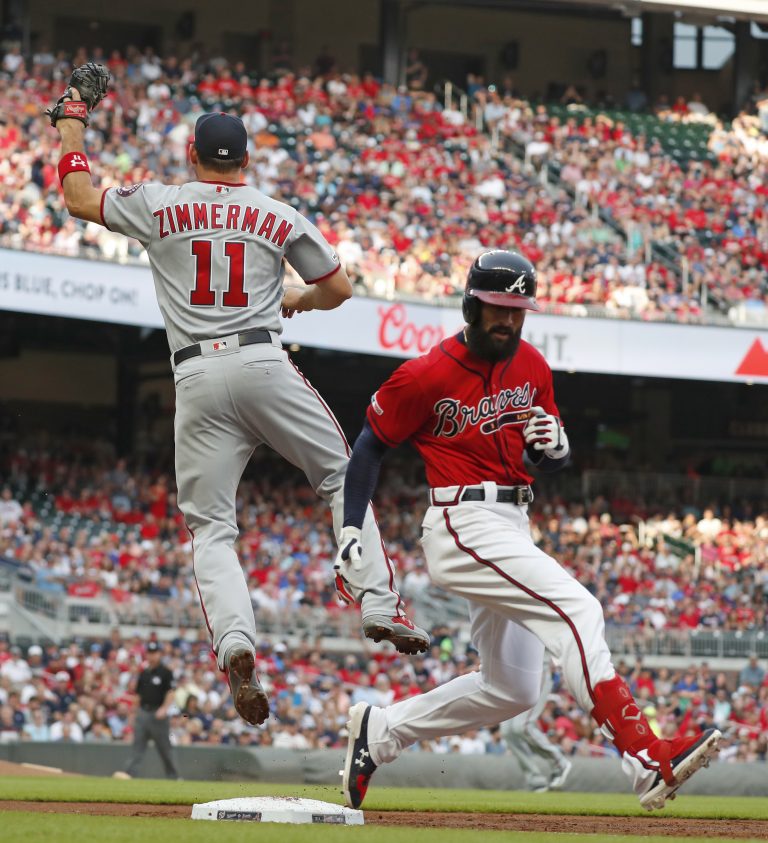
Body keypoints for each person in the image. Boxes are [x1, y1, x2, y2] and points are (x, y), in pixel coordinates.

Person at [49, 71, 428, 727]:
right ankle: (375, 598)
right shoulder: (274, 212)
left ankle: (236, 643)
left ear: (191, 156)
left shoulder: (162, 201)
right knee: (342, 473)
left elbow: (79, 197)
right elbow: (339, 287)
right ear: (247, 160)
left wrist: (72, 121)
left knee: (212, 528)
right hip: (262, 358)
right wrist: (296, 300)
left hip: (194, 376)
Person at [336, 250, 720, 812]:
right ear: (471, 304)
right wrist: (350, 526)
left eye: (518, 309)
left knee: (512, 690)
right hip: (461, 520)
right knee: (580, 610)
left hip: (513, 520)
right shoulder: (425, 374)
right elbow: (369, 448)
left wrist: (556, 449)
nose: (508, 320)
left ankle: (381, 730)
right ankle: (644, 756)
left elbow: (546, 454)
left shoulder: (532, 365)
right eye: (497, 308)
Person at [502, 653, 572, 792]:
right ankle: (535, 780)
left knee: (522, 726)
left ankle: (559, 762)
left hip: (538, 669)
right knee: (507, 731)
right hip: (516, 675)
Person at [117, 641, 179, 779]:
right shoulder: (144, 673)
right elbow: (138, 695)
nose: (152, 656)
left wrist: (164, 709)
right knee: (137, 748)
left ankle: (173, 777)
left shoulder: (166, 672)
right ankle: (129, 776)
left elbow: (171, 692)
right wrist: (133, 713)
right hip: (143, 713)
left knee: (165, 750)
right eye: (149, 653)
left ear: (160, 654)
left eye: (154, 653)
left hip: (159, 715)